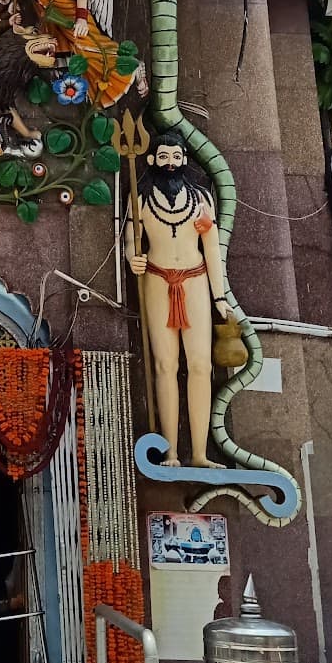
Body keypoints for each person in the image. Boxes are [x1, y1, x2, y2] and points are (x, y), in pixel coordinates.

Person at [125, 130, 227, 467]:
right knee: (165, 365)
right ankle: (170, 451)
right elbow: (131, 240)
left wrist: (219, 296)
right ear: (152, 160)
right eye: (164, 157)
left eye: (176, 157)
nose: (171, 163)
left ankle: (199, 453)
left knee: (200, 365)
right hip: (157, 280)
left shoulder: (200, 200)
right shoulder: (140, 199)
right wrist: (132, 257)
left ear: (185, 160)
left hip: (195, 282)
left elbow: (212, 249)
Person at [22, 0, 139, 108]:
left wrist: (82, 18)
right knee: (75, 57)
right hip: (56, 24)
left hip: (73, 17)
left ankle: (134, 68)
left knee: (94, 50)